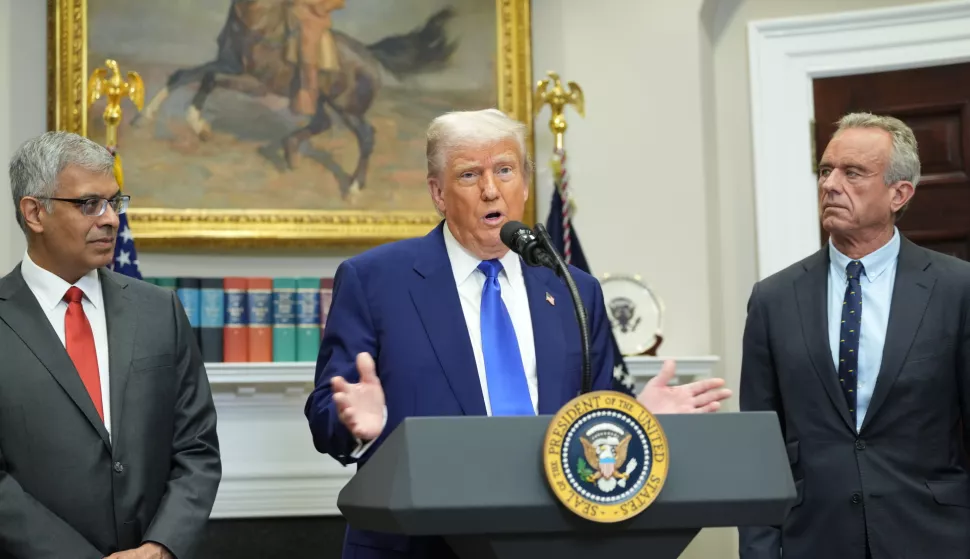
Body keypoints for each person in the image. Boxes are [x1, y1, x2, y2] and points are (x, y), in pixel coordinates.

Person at [305, 108, 733, 559]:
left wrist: (638, 420)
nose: (491, 189)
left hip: (551, 539)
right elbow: (324, 417)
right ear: (438, 193)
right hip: (418, 544)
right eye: (469, 174)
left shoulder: (573, 288)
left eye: (505, 170)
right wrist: (356, 426)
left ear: (525, 184)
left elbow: (594, 415)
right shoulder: (375, 281)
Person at [738, 112, 970, 559]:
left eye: (853, 172)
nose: (830, 184)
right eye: (826, 170)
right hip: (815, 539)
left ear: (899, 193)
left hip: (934, 537)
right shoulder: (773, 299)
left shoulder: (956, 289)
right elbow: (760, 449)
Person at [0, 132, 221, 559]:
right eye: (88, 204)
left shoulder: (160, 312)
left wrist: (160, 547)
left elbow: (197, 448)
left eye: (114, 202)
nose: (110, 219)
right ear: (34, 213)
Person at [286, 0, 347, 115]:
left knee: (308, 52)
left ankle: (307, 97)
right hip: (291, 13)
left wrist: (320, 8)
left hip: (312, 19)